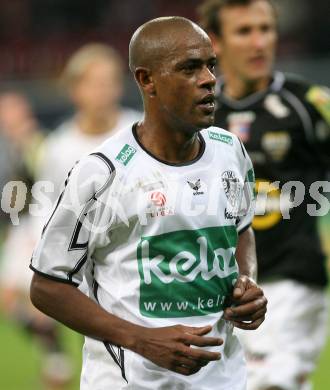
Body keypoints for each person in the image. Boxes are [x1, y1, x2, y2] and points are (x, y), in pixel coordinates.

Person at [30, 17, 267, 390]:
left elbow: (241, 229)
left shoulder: (230, 150)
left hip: (224, 378)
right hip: (130, 381)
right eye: (189, 68)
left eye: (210, 65)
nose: (208, 79)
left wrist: (246, 281)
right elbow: (47, 285)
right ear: (146, 80)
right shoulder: (103, 173)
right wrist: (140, 339)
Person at [198, 1, 330, 389]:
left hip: (291, 281)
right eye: (244, 31)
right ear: (216, 42)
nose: (259, 42)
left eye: (265, 29)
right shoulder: (199, 112)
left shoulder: (308, 104)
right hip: (218, 288)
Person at [0, 91, 73, 389]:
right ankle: (56, 361)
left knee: (28, 298)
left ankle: (58, 363)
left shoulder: (39, 144)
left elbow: (49, 187)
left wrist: (42, 233)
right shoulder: (16, 146)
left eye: (8, 112)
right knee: (9, 300)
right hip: (25, 226)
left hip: (38, 226)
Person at [37, 43, 141, 204]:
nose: (102, 92)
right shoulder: (57, 148)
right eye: (93, 84)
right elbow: (45, 209)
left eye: (108, 83)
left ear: (119, 87)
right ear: (73, 90)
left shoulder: (143, 133)